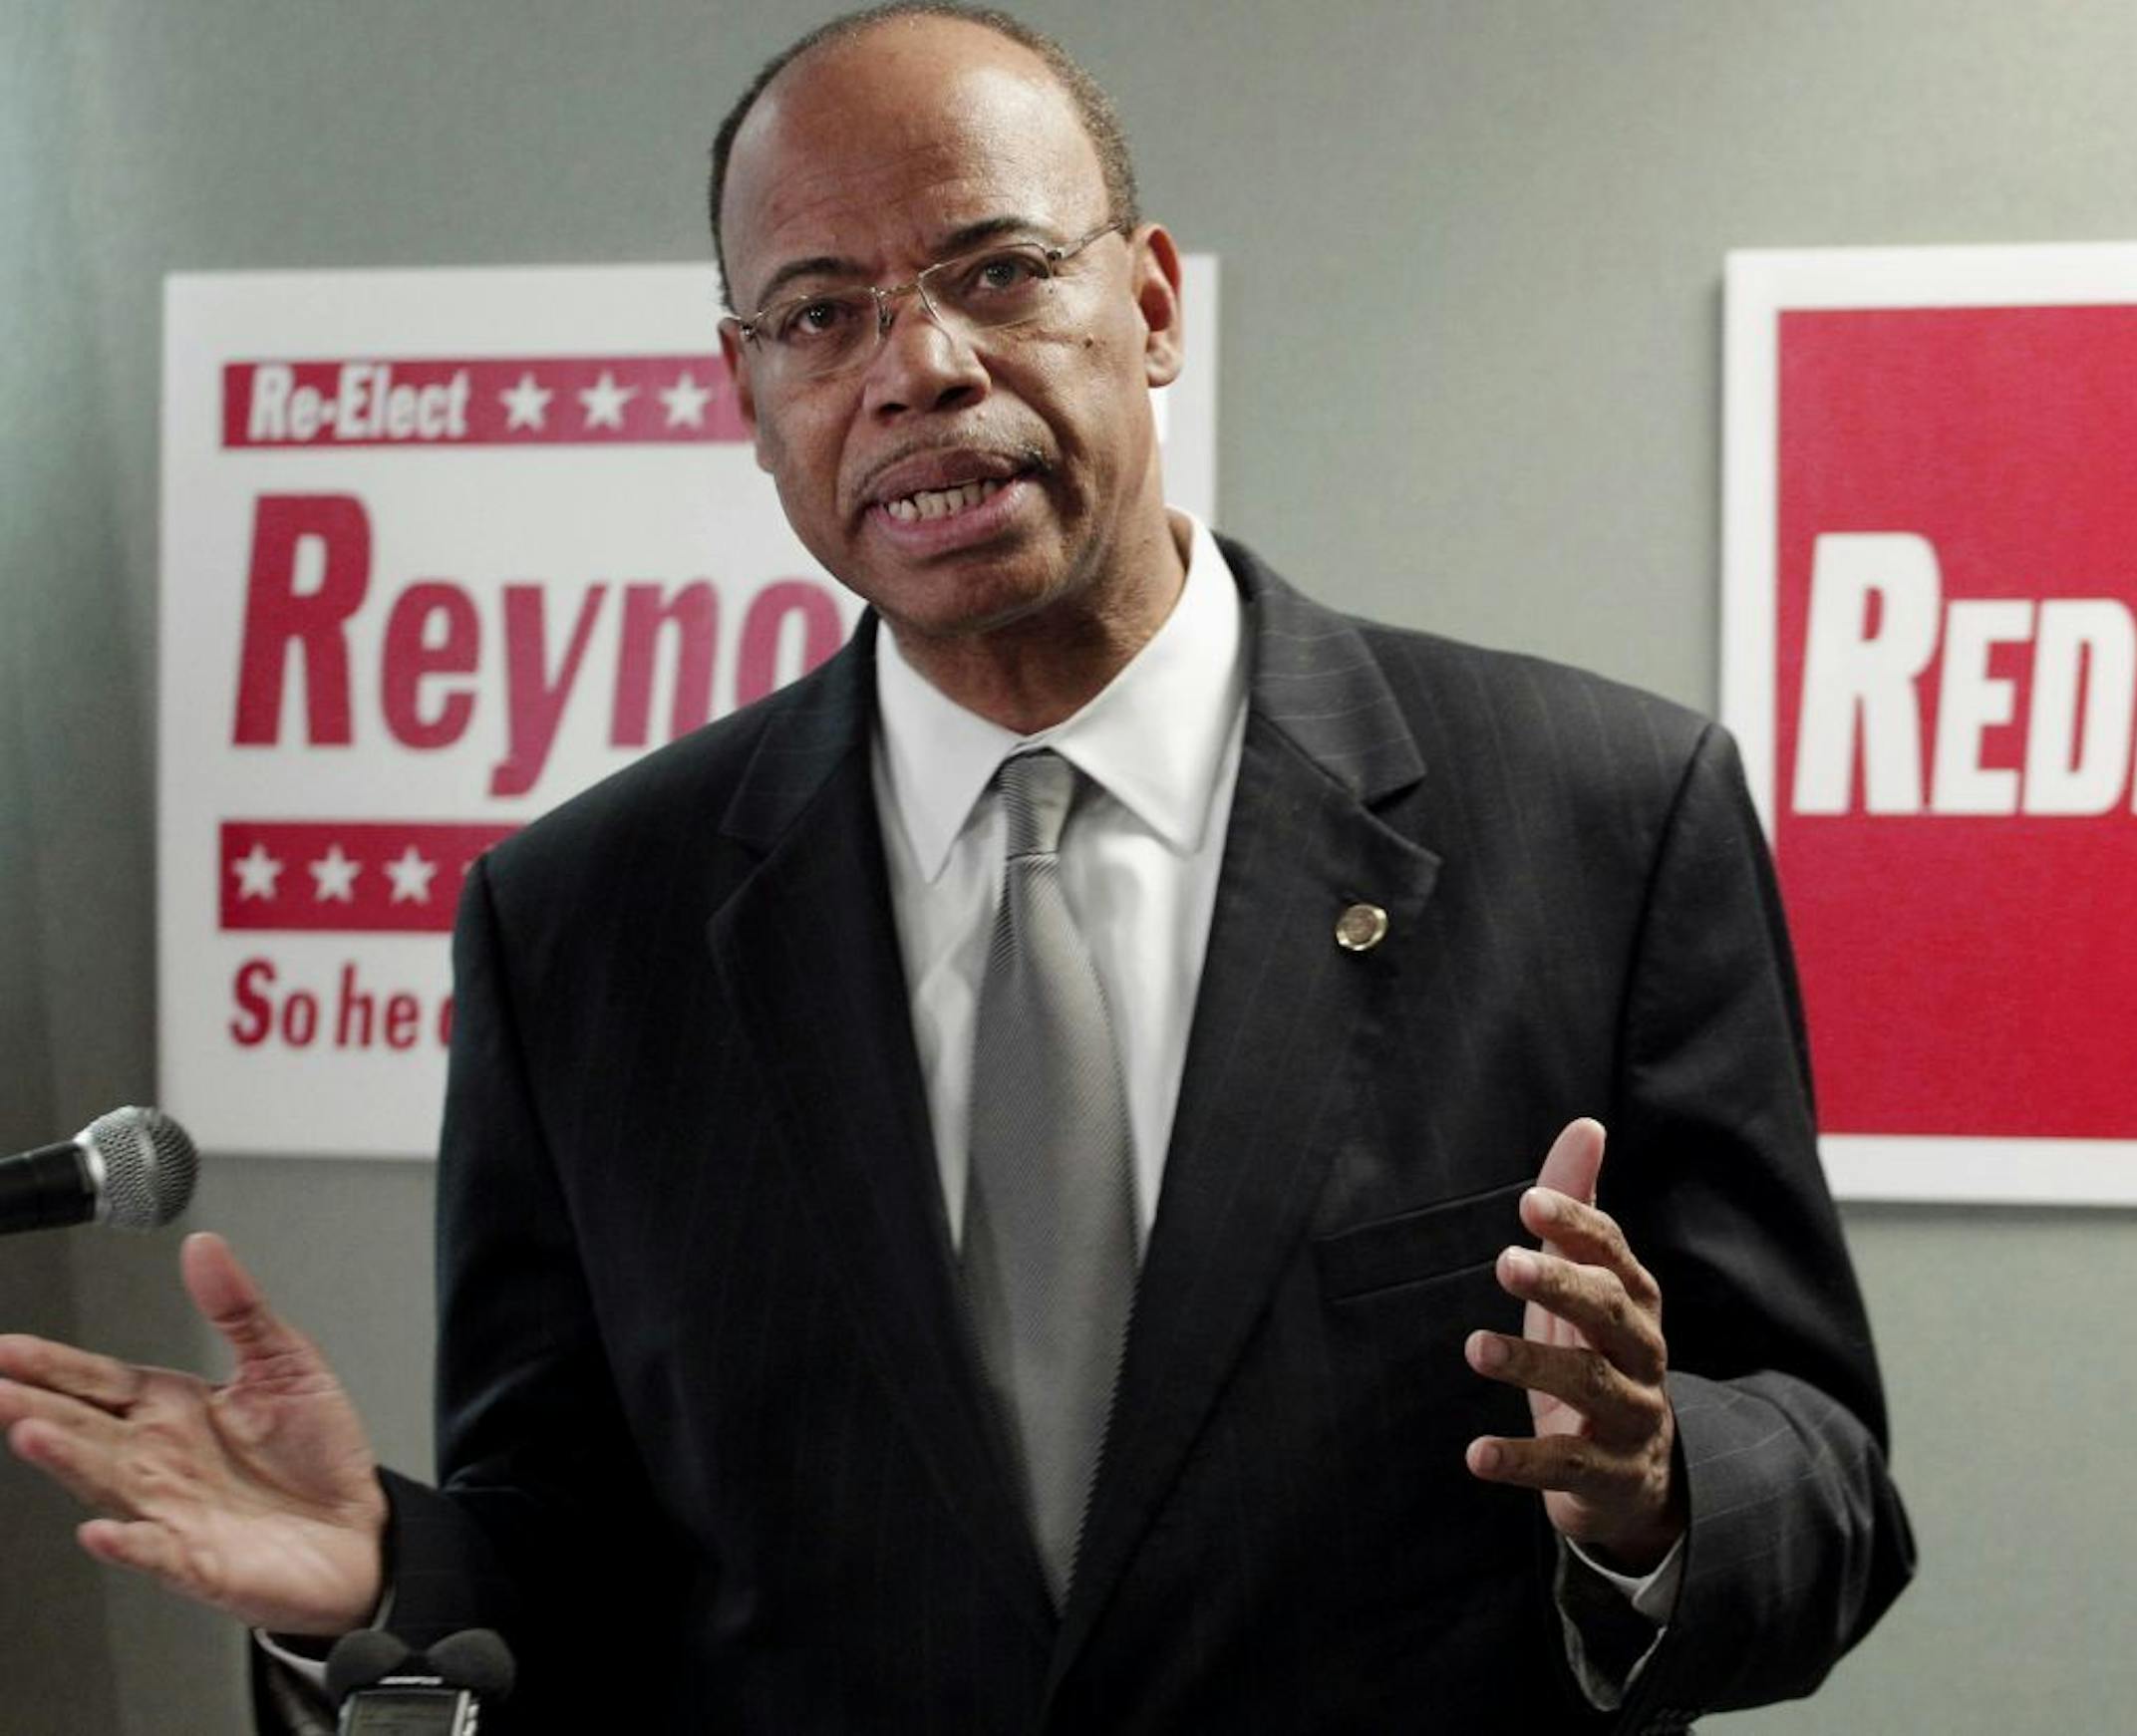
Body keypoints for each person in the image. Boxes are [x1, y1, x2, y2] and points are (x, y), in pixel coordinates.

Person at [0, 6, 1913, 1731]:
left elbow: (1823, 1473)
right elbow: (573, 1568)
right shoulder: (583, 924)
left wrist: (1652, 1489)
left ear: (1153, 305)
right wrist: (377, 1580)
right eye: (819, 313)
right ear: (749, 396)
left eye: (998, 270)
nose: (917, 366)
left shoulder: (1599, 812)